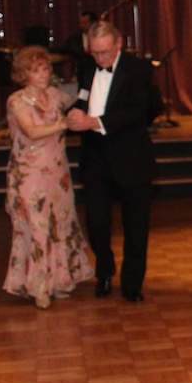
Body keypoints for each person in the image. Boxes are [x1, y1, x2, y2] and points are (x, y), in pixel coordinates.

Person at [65, 21, 157, 302]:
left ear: (118, 44)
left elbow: (136, 110)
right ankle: (104, 271)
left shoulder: (138, 69)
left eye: (105, 52)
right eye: (95, 53)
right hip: (95, 157)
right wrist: (73, 115)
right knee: (96, 222)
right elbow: (83, 98)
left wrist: (94, 122)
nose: (100, 59)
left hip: (131, 156)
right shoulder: (88, 66)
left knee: (136, 226)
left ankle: (132, 284)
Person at [2, 46, 94, 309]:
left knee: (61, 224)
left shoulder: (55, 95)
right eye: (34, 70)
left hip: (57, 172)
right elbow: (30, 131)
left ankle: (61, 281)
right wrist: (63, 124)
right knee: (37, 227)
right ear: (23, 74)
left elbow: (80, 97)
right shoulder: (17, 101)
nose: (41, 75)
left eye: (44, 69)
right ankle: (38, 286)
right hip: (29, 174)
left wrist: (88, 85)